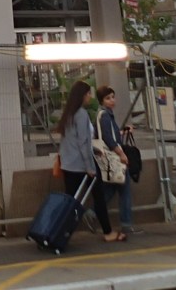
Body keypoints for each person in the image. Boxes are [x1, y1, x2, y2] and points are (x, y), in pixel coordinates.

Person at [54, 79, 127, 243]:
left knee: (70, 201)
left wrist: (94, 149)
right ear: (82, 95)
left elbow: (73, 141)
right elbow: (83, 142)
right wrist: (89, 167)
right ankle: (108, 232)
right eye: (88, 94)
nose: (89, 97)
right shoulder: (81, 114)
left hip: (67, 164)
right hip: (81, 165)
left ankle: (57, 232)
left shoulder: (69, 114)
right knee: (98, 197)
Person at [96, 85, 142, 234]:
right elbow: (108, 138)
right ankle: (126, 224)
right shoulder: (105, 116)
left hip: (110, 158)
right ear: (101, 101)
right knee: (124, 191)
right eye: (107, 98)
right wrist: (121, 154)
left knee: (111, 189)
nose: (112, 100)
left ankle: (91, 213)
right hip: (115, 158)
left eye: (112, 97)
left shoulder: (104, 115)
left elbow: (111, 135)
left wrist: (122, 132)